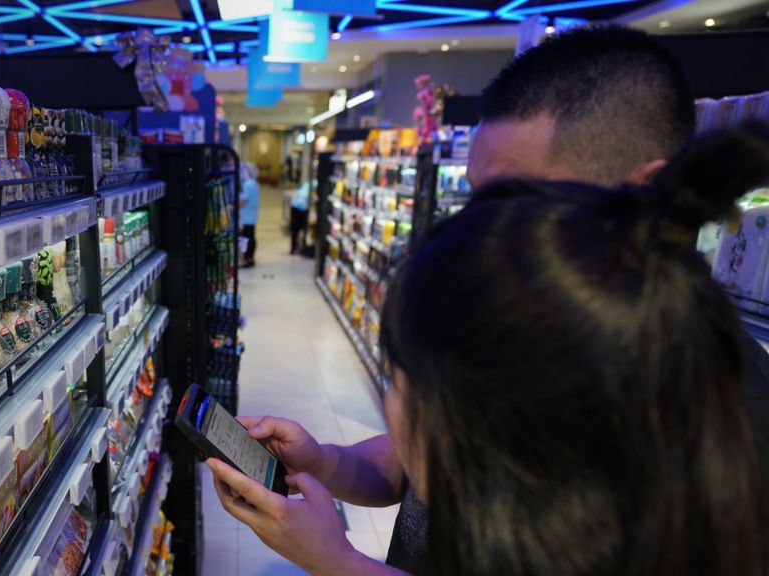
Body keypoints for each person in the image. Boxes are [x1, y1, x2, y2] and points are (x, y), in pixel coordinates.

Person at [208, 24, 769, 574]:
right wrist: (328, 462)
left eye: (517, 200)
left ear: (642, 188)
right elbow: (418, 471)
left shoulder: (713, 413)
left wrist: (339, 564)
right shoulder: (511, 315)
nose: (485, 230)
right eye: (478, 198)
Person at [240, 161, 260, 268]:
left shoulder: (249, 184)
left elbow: (243, 201)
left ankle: (248, 259)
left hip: (247, 216)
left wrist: (232, 206)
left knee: (248, 238)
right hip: (250, 216)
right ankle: (249, 258)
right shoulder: (252, 183)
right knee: (250, 237)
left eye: (244, 170)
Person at [289, 182, 311, 255]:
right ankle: (296, 247)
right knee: (298, 229)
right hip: (300, 209)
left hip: (295, 208)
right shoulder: (310, 186)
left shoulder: (306, 185)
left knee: (295, 229)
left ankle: (294, 247)